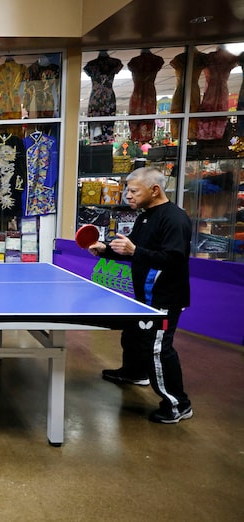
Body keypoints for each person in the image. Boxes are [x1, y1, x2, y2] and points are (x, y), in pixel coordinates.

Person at [87, 167, 192, 424]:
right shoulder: (145, 216)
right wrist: (105, 250)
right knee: (133, 334)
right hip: (144, 295)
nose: (127, 196)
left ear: (154, 190)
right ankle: (134, 373)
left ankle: (178, 404)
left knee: (157, 348)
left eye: (133, 191)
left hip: (164, 297)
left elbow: (174, 259)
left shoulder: (174, 219)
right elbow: (131, 249)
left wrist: (135, 251)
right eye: (127, 190)